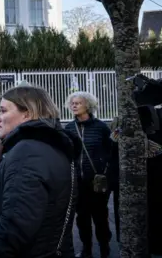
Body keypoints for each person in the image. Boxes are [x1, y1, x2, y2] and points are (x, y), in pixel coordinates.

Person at [0, 85, 82, 257]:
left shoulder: (27, 153)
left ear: (27, 113)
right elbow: (8, 198)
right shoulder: (45, 145)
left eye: (3, 110)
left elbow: (13, 230)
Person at [65, 91, 114, 258]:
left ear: (88, 105)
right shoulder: (69, 128)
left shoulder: (101, 127)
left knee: (100, 216)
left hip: (97, 181)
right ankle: (86, 249)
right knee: (82, 218)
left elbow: (111, 152)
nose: (74, 105)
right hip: (78, 182)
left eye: (78, 103)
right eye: (72, 103)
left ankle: (105, 249)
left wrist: (105, 172)